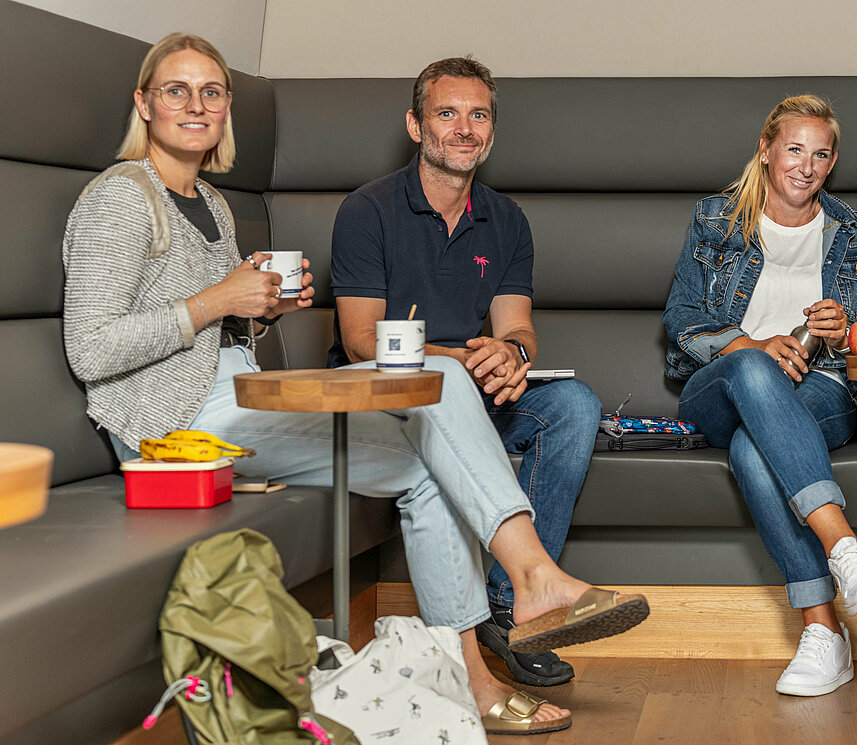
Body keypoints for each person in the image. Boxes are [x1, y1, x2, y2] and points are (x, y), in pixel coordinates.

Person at [61, 33, 647, 736]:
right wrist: (222, 300)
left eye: (212, 91)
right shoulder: (121, 198)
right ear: (144, 105)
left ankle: (472, 672)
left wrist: (259, 308)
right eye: (177, 91)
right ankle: (533, 576)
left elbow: (211, 330)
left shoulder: (209, 202)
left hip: (229, 401)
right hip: (169, 429)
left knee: (425, 460)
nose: (197, 105)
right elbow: (91, 349)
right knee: (440, 385)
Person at [327, 56, 602, 688]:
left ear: (492, 131)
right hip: (388, 399)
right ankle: (509, 601)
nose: (464, 128)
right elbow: (360, 339)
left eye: (478, 115)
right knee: (445, 386)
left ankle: (509, 608)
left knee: (576, 404)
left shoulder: (506, 219)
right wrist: (457, 360)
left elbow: (518, 327)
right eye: (447, 114)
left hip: (476, 392)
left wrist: (512, 357)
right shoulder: (367, 211)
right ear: (416, 125)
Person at [662, 94, 857, 697]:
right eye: (794, 150)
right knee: (753, 372)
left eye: (820, 155)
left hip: (823, 387)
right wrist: (750, 345)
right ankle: (843, 544)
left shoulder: (854, 232)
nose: (805, 166)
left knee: (751, 448)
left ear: (832, 161)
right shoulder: (716, 218)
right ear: (766, 151)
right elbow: (682, 318)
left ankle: (823, 632)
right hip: (722, 384)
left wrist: (847, 331)